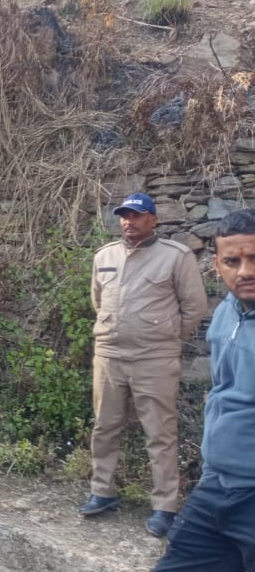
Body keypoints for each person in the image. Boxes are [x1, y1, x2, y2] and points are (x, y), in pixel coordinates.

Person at [141, 209, 255, 572]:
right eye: (233, 261)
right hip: (218, 489)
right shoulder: (227, 313)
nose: (245, 271)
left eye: (254, 258)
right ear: (217, 266)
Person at [79, 192, 207, 537]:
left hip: (155, 360)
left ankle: (165, 506)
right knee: (104, 426)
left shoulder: (175, 256)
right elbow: (98, 301)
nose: (128, 222)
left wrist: (164, 338)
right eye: (124, 216)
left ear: (153, 220)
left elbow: (194, 307)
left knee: (160, 433)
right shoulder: (104, 256)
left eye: (136, 216)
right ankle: (102, 491)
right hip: (109, 355)